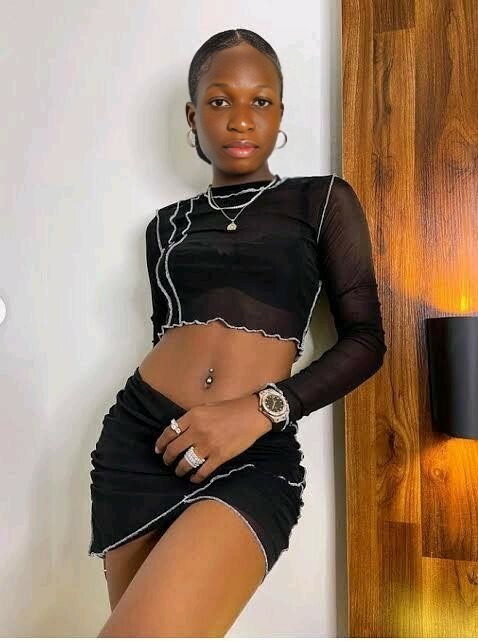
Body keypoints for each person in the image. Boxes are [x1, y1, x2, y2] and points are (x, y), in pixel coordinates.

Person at [89, 28, 387, 637]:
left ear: (280, 113)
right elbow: (169, 335)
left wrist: (260, 409)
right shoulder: (165, 227)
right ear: (192, 116)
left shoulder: (321, 201)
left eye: (261, 100)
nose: (241, 118)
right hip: (140, 444)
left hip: (252, 450)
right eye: (221, 100)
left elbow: (365, 341)